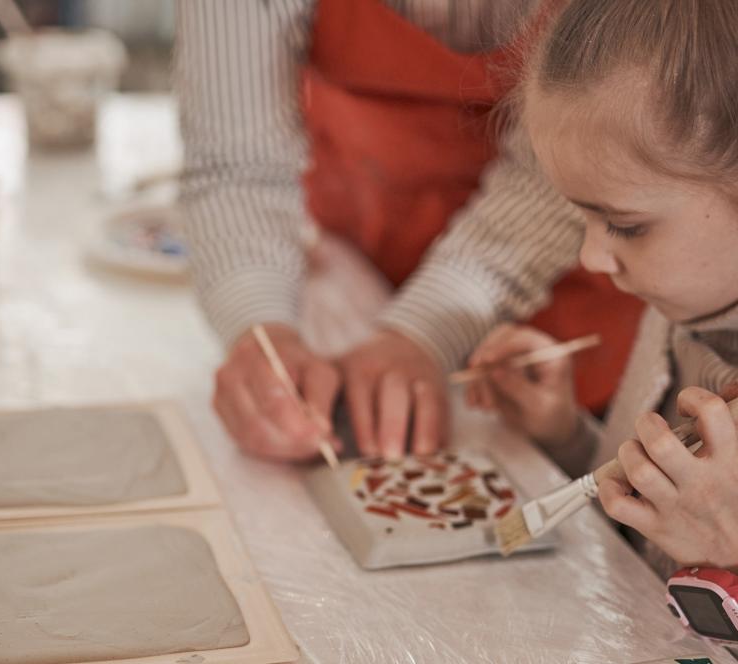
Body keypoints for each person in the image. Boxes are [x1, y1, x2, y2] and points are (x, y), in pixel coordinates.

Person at [173, 0, 643, 462]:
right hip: (359, 282)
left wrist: (423, 329)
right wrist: (261, 329)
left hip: (573, 314)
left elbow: (561, 176)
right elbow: (234, 165)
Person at [467, 0, 738, 575]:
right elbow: (638, 538)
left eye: (625, 225)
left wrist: (729, 556)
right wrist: (567, 437)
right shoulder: (688, 297)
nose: (592, 258)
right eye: (580, 217)